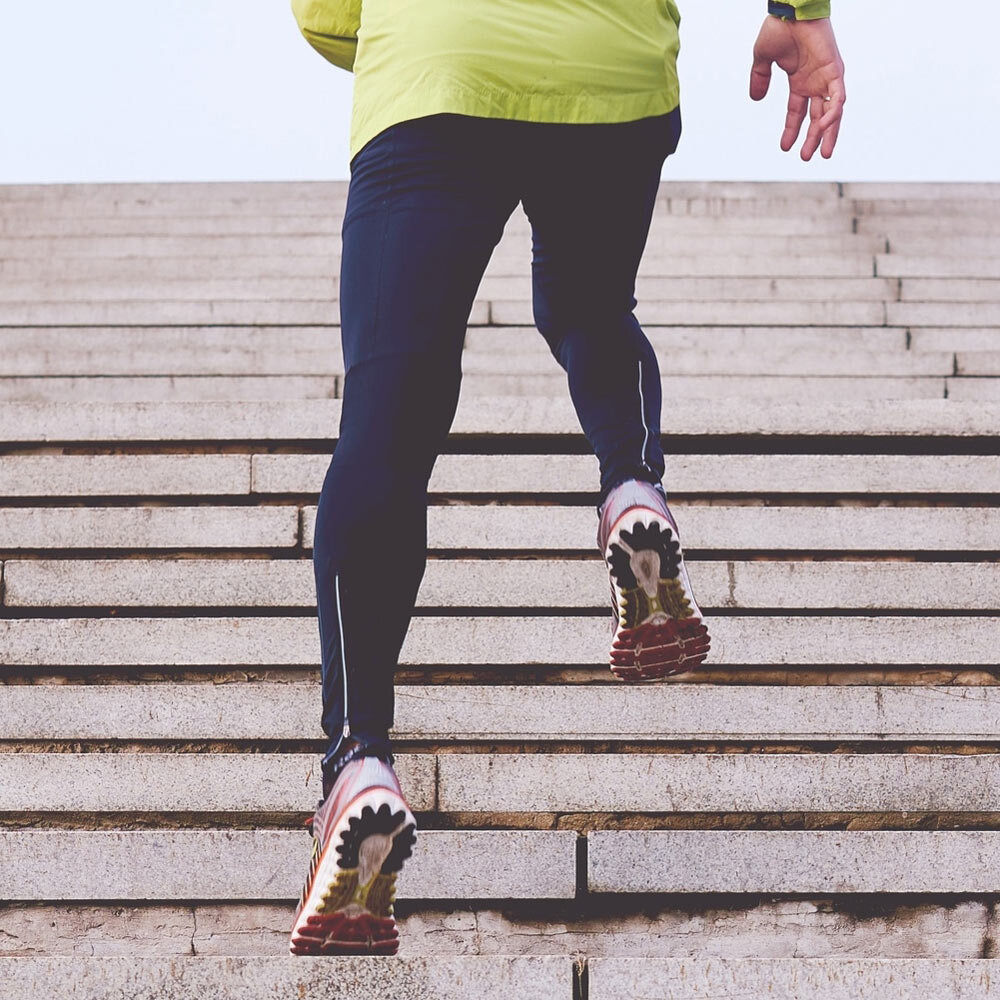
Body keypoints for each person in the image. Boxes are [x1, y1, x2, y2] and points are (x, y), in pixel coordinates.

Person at [288, 0, 846, 956]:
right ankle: (632, 486)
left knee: (389, 413)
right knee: (591, 304)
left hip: (435, 66)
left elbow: (325, 14)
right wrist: (801, 14)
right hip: (610, 70)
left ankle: (360, 761)